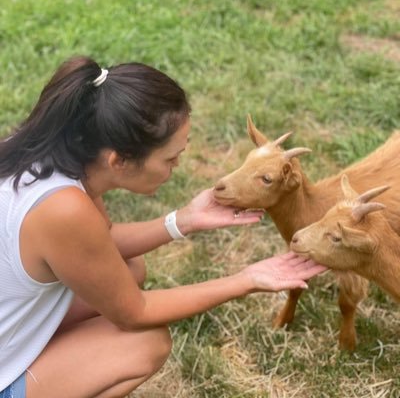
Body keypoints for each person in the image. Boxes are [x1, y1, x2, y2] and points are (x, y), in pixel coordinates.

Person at [0, 56, 326, 398]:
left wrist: (181, 221)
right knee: (145, 343)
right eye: (170, 158)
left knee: (129, 268)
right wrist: (245, 280)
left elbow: (99, 244)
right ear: (119, 160)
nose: (178, 165)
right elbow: (135, 313)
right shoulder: (64, 210)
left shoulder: (44, 152)